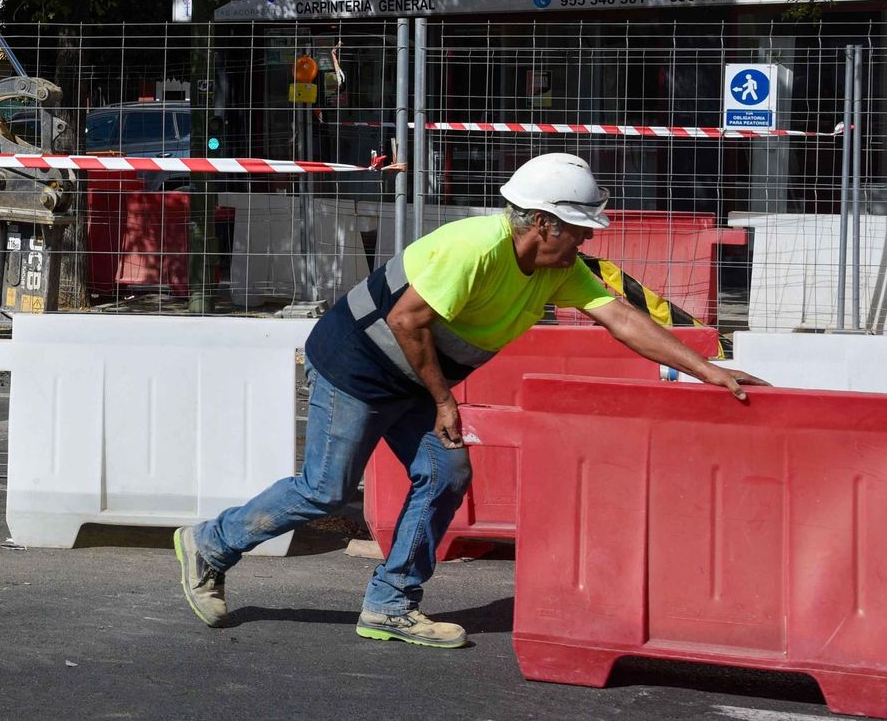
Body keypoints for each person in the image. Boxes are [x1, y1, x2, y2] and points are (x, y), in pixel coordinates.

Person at [173, 152, 767, 647]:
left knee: (446, 472)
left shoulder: (559, 268)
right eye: (580, 227)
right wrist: (445, 401)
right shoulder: (475, 248)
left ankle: (390, 603)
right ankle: (210, 543)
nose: (588, 237)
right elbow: (409, 322)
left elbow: (621, 318)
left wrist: (707, 370)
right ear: (542, 223)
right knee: (325, 488)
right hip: (357, 364)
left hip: (412, 375)